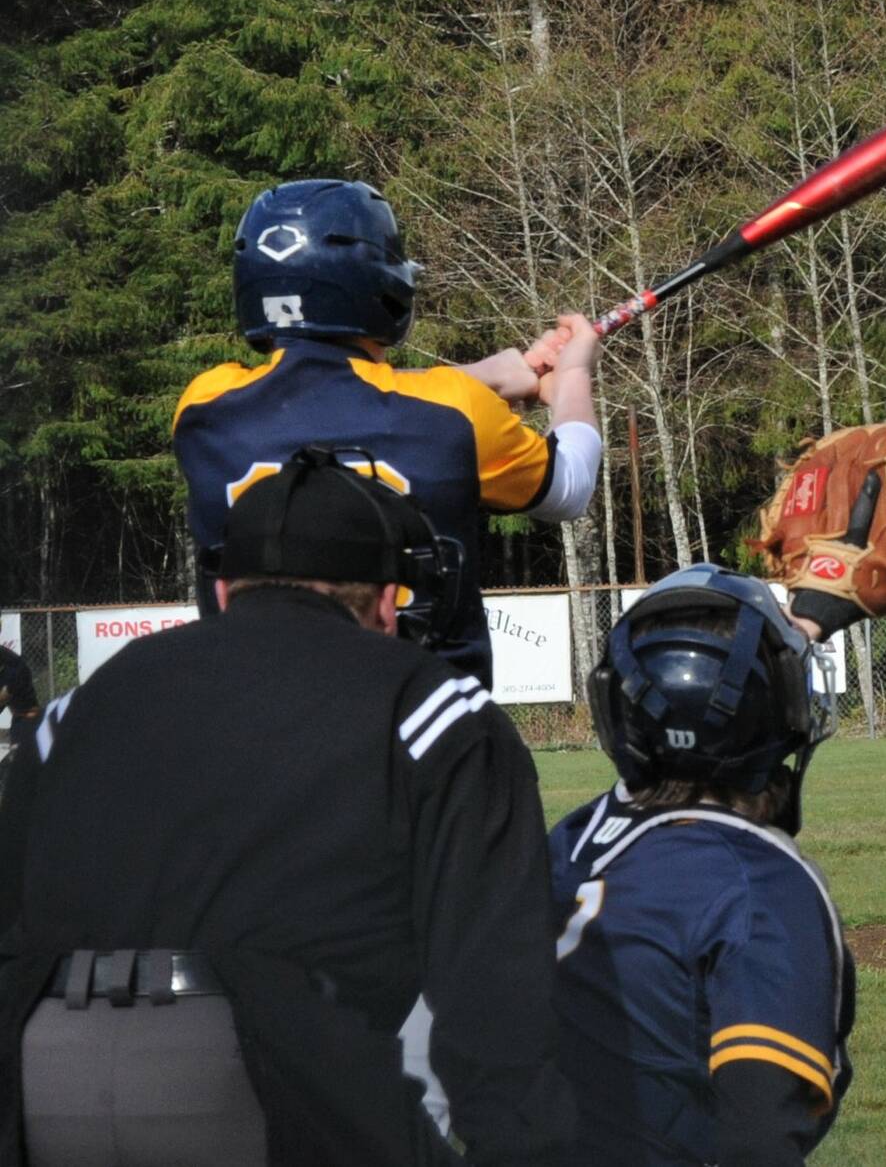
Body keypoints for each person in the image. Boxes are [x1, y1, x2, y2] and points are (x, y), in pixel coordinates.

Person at [0, 448, 575, 1164]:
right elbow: (492, 990)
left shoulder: (90, 699)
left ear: (224, 591)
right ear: (388, 603)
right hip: (265, 1070)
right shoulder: (429, 703)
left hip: (40, 1063)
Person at [173, 178, 602, 687]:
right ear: (381, 288)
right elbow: (571, 486)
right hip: (425, 717)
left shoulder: (204, 408)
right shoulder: (455, 409)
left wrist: (485, 376)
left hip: (258, 712)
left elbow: (327, 395)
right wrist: (572, 377)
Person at [549, 565, 853, 1167]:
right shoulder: (757, 883)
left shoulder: (573, 838)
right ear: (777, 709)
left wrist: (810, 616)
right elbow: (759, 1137)